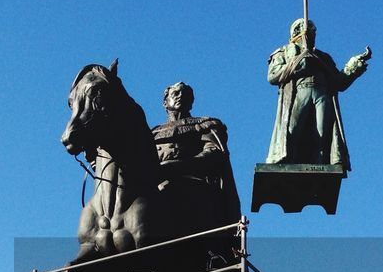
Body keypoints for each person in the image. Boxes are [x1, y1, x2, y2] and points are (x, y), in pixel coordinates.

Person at [264, 18, 370, 170]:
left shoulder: (323, 57)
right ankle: (288, 162)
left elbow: (339, 82)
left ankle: (320, 166)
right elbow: (273, 76)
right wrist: (298, 64)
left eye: (314, 32)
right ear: (297, 33)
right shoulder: (284, 53)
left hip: (321, 94)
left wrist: (355, 63)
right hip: (300, 93)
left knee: (322, 133)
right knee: (292, 130)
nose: (313, 35)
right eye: (309, 31)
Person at [151, 82, 242, 231]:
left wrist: (177, 166)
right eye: (176, 93)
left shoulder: (205, 124)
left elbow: (215, 153)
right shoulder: (151, 133)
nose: (181, 96)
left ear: (191, 102)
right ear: (165, 102)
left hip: (193, 185)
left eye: (185, 94)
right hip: (155, 186)